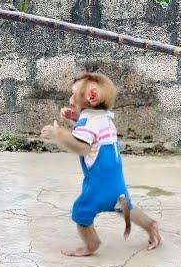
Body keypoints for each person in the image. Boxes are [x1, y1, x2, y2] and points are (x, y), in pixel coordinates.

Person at [41, 72, 161, 256]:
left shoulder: (88, 123)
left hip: (98, 183)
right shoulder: (104, 117)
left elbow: (82, 147)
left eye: (73, 94)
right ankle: (150, 225)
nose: (70, 98)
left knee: (81, 212)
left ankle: (91, 244)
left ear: (92, 97)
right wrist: (76, 119)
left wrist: (59, 133)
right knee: (124, 205)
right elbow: (94, 133)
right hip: (115, 178)